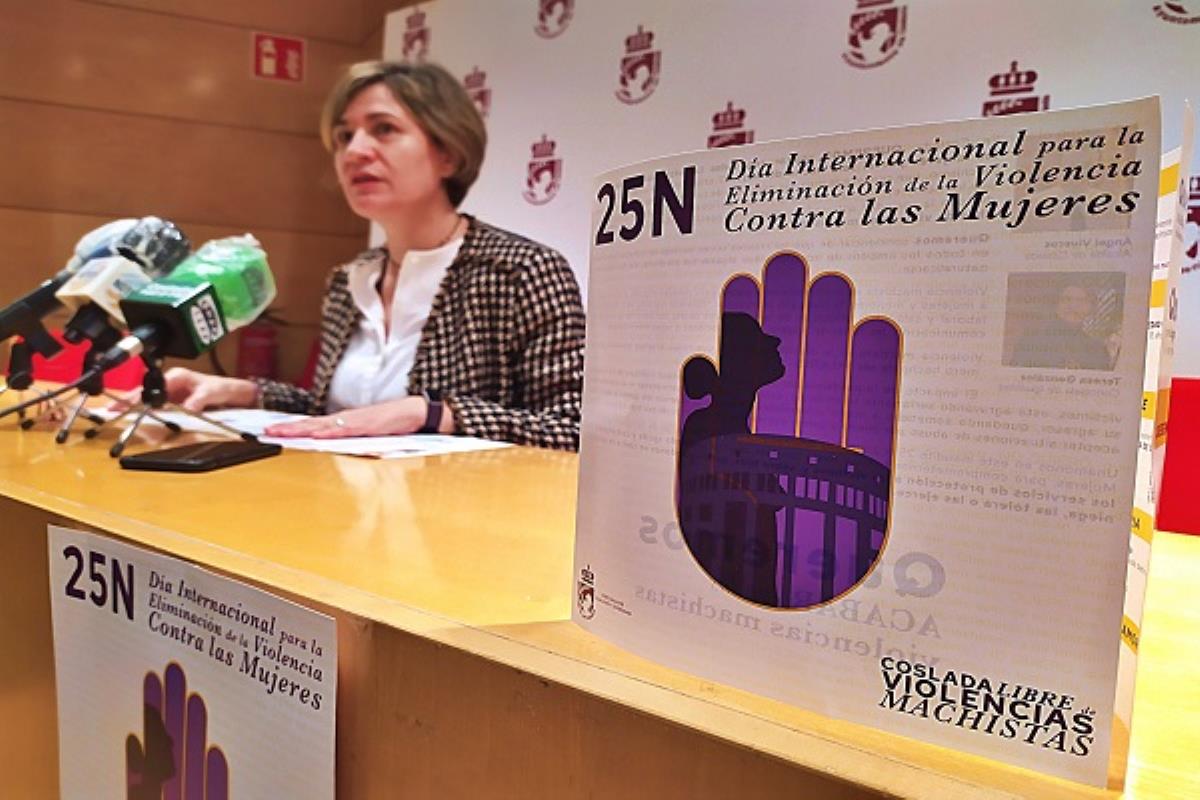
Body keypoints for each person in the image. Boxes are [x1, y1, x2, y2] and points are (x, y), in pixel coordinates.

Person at [155, 61, 585, 450]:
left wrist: (433, 413)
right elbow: (338, 412)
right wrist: (240, 391)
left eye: (383, 129)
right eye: (345, 136)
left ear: (448, 154)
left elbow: (572, 430)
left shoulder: (521, 271)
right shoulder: (347, 280)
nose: (355, 151)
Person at [1011, 284, 1113, 371]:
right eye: (1066, 299)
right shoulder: (1031, 340)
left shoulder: (1097, 350)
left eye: (1081, 301)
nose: (1073, 306)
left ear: (1090, 308)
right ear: (1056, 305)